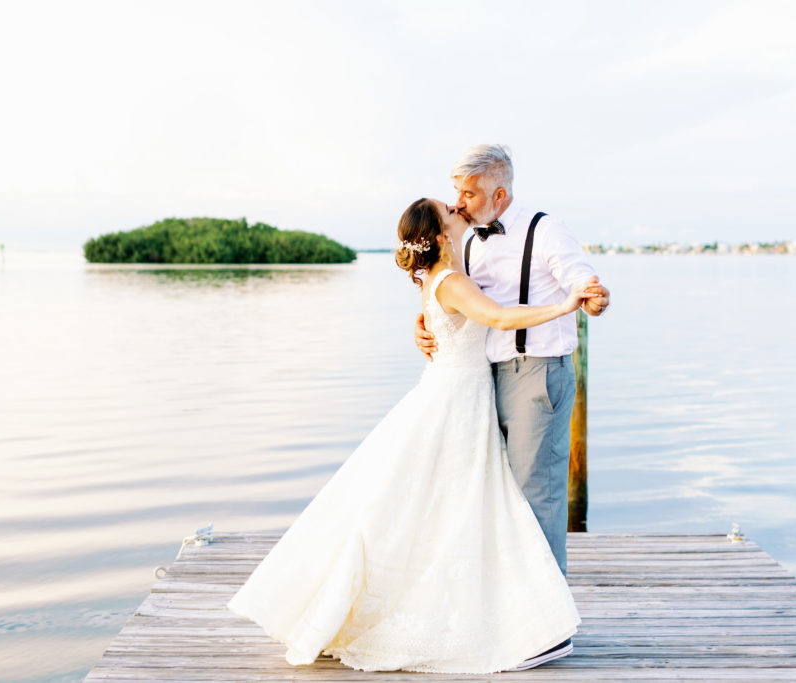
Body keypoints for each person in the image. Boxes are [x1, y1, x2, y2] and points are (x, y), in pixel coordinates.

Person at [228, 197, 599, 673]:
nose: (457, 207)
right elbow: (502, 319)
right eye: (449, 210)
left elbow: (451, 318)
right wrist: (566, 304)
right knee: (459, 501)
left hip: (454, 391)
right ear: (442, 234)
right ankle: (518, 619)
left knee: (443, 503)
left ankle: (519, 614)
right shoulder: (454, 281)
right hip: (457, 400)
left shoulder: (437, 278)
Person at [414, 144, 610, 665]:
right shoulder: (466, 241)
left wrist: (591, 294)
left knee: (535, 495)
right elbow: (459, 300)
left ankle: (550, 629)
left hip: (536, 376)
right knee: (496, 496)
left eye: (469, 192)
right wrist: (425, 324)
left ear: (499, 194)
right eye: (456, 190)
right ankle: (511, 614)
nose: (458, 202)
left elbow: (577, 275)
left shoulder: (544, 229)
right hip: (481, 380)